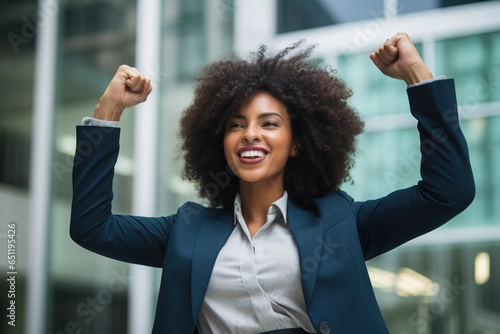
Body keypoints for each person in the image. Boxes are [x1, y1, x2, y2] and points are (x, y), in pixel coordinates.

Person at [70, 32, 475, 334]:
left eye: (269, 124)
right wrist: (109, 111)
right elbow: (92, 228)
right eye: (236, 125)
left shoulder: (339, 221)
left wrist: (415, 75)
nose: (250, 134)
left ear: (298, 145)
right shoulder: (187, 230)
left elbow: (448, 192)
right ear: (220, 144)